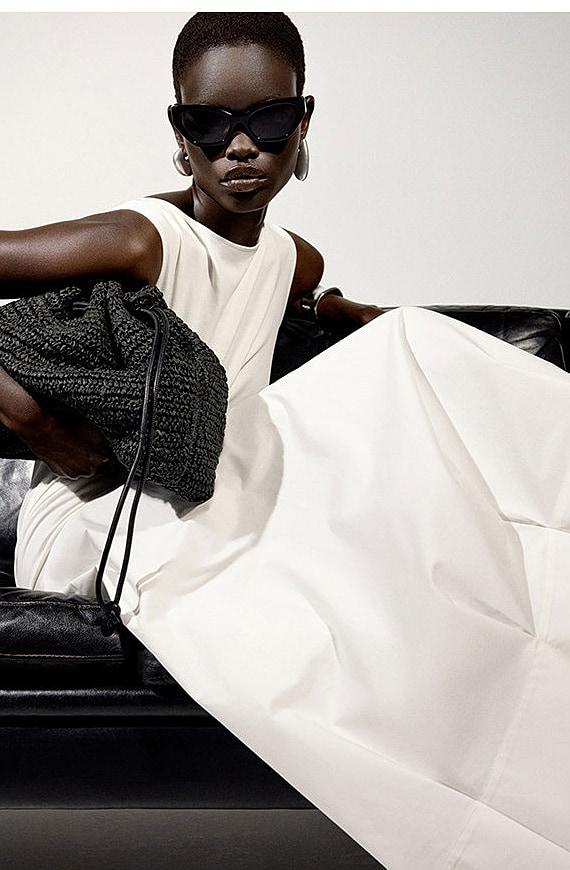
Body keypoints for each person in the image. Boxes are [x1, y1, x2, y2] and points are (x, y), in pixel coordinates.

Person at [1, 13, 569, 870]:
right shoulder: (142, 238)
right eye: (209, 123)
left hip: (220, 486)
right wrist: (45, 431)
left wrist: (353, 315)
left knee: (409, 435)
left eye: (267, 121)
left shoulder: (293, 258)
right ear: (179, 132)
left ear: (303, 123)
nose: (241, 148)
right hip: (105, 509)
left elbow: (299, 295)